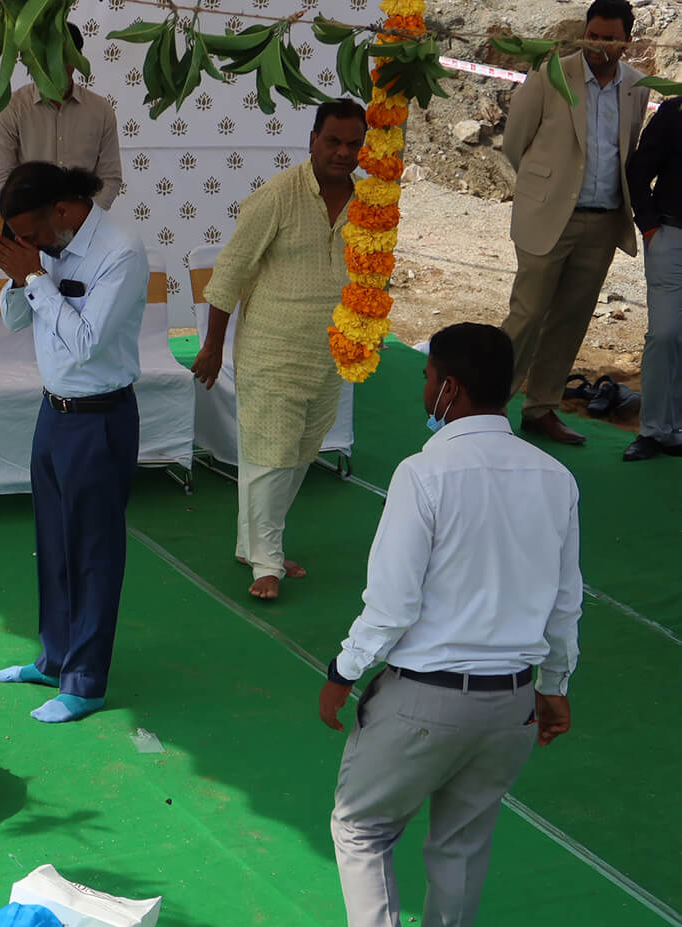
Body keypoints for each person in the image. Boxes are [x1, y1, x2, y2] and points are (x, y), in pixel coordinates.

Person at [320, 322, 581, 927]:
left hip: (425, 700)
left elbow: (391, 605)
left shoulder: (423, 474)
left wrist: (344, 669)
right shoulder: (555, 478)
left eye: (427, 377)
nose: (424, 389)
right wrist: (554, 686)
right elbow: (566, 603)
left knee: (361, 828)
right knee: (461, 847)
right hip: (510, 704)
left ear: (450, 389)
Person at [0, 162, 144, 724]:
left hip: (100, 418)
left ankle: (86, 681)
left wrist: (34, 276)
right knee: (52, 544)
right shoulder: (46, 247)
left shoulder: (119, 253)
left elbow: (86, 345)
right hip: (53, 414)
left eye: (28, 233)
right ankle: (54, 659)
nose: (26, 244)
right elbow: (12, 322)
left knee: (94, 552)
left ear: (63, 210)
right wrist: (16, 272)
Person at [190, 99, 367, 601]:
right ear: (312, 139)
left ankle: (254, 543)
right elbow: (230, 273)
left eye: (353, 143)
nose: (343, 152)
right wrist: (212, 346)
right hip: (273, 346)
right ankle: (267, 562)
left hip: (331, 350)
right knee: (270, 454)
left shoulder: (370, 202)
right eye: (333, 141)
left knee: (300, 454)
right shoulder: (278, 196)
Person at [501, 0, 649, 446]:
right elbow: (515, 142)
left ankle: (540, 409)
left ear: (627, 40)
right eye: (593, 35)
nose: (598, 45)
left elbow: (630, 146)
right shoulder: (551, 75)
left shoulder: (637, 86)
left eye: (609, 38)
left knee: (570, 320)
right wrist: (545, 188)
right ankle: (486, 409)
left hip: (602, 224)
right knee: (526, 316)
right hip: (547, 217)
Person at [0, 22, 123, 211]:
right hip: (29, 222)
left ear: (78, 58)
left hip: (85, 223)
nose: (54, 64)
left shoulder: (101, 110)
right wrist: (41, 216)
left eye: (63, 56)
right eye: (46, 55)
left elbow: (110, 177)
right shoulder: (8, 108)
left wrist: (83, 216)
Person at [622, 94, 682, 461]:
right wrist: (648, 225)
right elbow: (639, 170)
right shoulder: (675, 111)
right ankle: (654, 431)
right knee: (665, 333)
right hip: (671, 236)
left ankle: (673, 429)